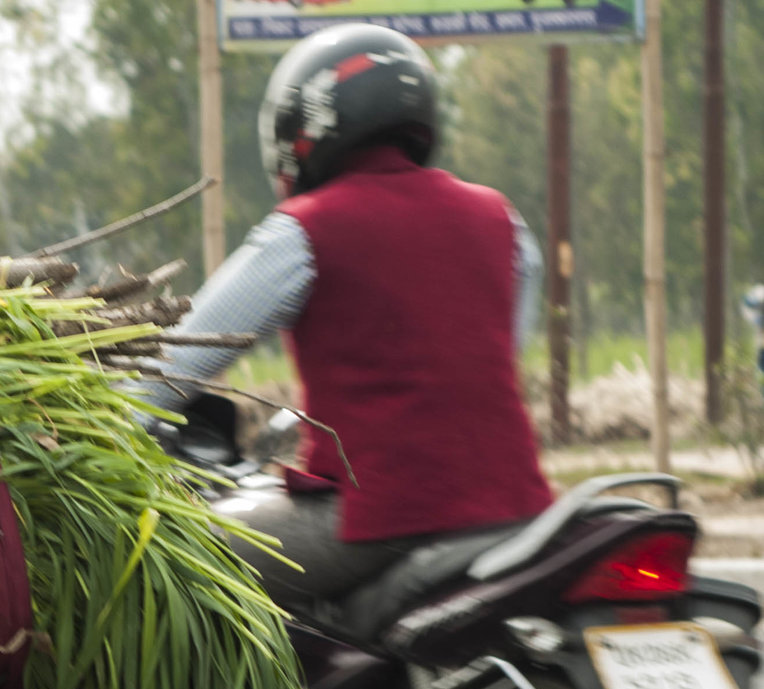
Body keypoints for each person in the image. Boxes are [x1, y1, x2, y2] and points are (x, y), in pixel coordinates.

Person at [146, 23, 554, 612]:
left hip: (383, 517)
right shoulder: (504, 220)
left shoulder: (306, 229)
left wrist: (101, 426)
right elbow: (496, 356)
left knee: (168, 562)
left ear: (302, 128)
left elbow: (175, 361)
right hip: (519, 507)